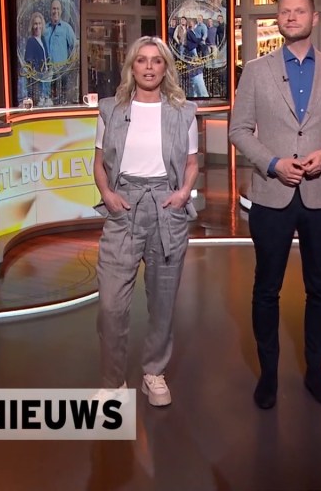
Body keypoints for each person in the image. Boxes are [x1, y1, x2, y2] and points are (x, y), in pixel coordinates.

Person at [229, 0, 321, 410]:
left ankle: (316, 372)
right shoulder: (256, 70)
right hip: (272, 195)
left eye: (299, 11)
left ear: (314, 18)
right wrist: (272, 163)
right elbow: (238, 130)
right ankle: (268, 375)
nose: (291, 17)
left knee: (320, 288)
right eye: (284, 11)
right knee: (266, 288)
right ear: (278, 18)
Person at [91, 36, 199, 408]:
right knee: (110, 305)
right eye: (142, 60)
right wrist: (107, 194)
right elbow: (98, 162)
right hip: (123, 206)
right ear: (131, 67)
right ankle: (113, 383)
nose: (149, 67)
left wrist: (183, 193)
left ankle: (154, 373)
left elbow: (191, 163)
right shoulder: (110, 109)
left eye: (156, 60)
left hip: (167, 208)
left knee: (163, 302)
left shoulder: (183, 112)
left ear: (165, 67)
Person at [44, 0, 76, 104]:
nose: (55, 11)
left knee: (61, 103)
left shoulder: (66, 28)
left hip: (62, 74)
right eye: (53, 8)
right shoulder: (45, 29)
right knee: (48, 102)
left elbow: (75, 46)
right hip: (47, 74)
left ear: (61, 11)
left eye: (58, 9)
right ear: (50, 10)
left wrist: (69, 65)